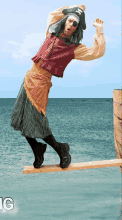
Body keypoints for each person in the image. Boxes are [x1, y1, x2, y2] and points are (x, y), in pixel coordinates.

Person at [11, 4, 105, 169]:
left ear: (77, 29)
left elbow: (97, 52)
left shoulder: (74, 49)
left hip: (40, 84)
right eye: (69, 21)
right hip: (28, 79)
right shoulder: (50, 32)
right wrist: (73, 8)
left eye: (75, 24)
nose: (70, 26)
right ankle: (37, 148)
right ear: (64, 21)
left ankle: (61, 149)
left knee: (38, 122)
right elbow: (52, 15)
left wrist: (99, 31)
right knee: (20, 118)